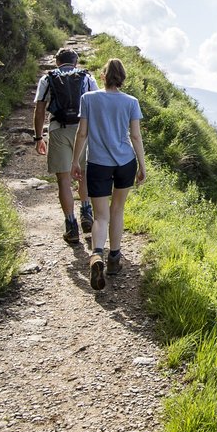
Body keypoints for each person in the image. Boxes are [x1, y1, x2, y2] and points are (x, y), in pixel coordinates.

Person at [71, 58, 146, 290]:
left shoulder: (88, 99)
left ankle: (96, 255)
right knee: (118, 210)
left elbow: (82, 133)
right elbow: (135, 136)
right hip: (125, 162)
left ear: (103, 76)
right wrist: (142, 165)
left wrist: (75, 161)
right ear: (122, 78)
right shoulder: (131, 102)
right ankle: (114, 259)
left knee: (101, 215)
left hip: (98, 163)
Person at [33, 48, 98, 246]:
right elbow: (96, 104)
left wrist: (38, 137)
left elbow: (40, 109)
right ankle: (87, 212)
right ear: (76, 62)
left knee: (63, 179)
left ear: (56, 61)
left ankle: (71, 226)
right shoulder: (87, 78)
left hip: (58, 129)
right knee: (84, 173)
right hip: (84, 130)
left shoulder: (47, 79)